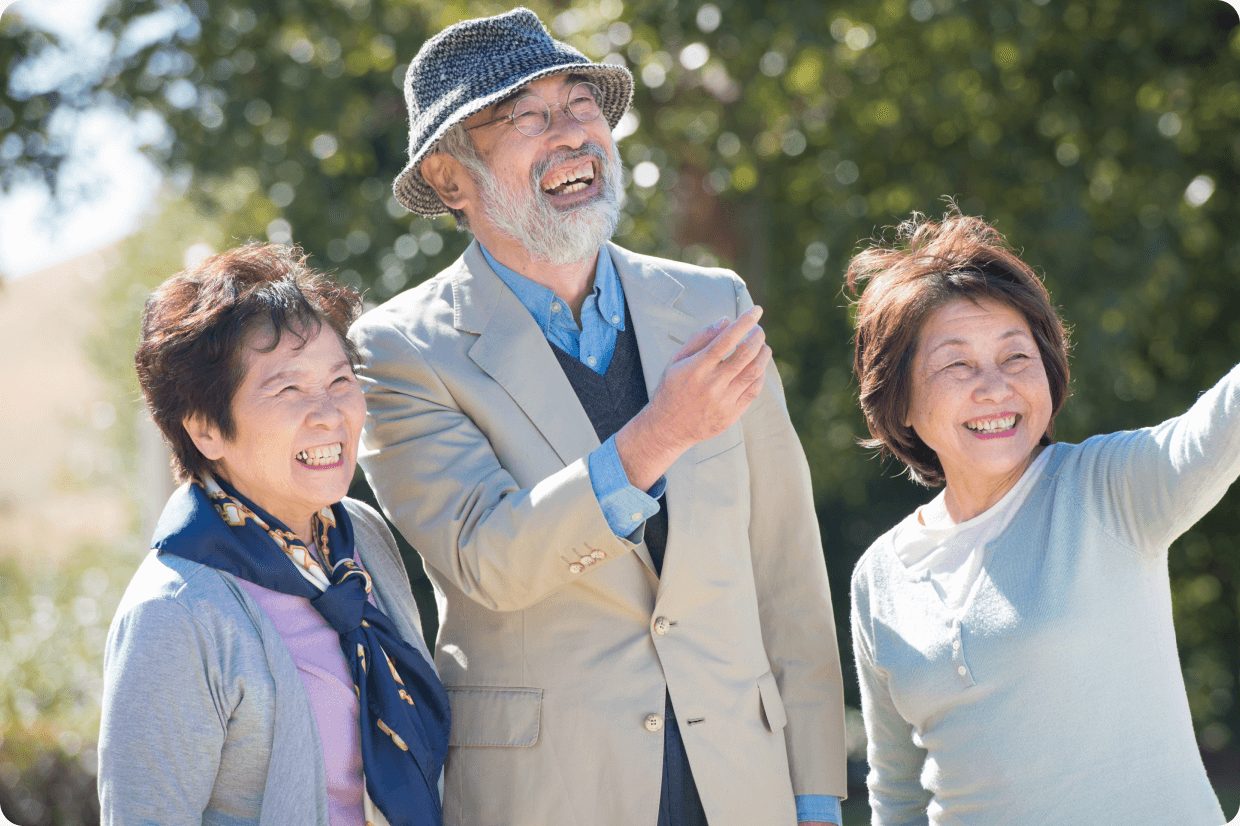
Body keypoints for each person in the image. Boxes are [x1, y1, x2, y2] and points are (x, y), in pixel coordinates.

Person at [349, 8, 846, 826]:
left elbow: (786, 569)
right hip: (549, 796)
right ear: (449, 179)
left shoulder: (714, 307)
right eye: (529, 118)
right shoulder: (397, 352)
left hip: (743, 787)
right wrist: (661, 435)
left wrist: (816, 796)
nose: (573, 135)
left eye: (580, 105)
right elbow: (487, 558)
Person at [845, 210, 1232, 824]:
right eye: (957, 365)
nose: (995, 387)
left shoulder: (1110, 489)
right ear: (900, 401)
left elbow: (1225, 423)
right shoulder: (879, 575)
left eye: (1016, 357)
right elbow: (898, 793)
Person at [98, 243, 450, 826]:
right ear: (207, 429)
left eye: (340, 380)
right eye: (288, 390)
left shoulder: (359, 537)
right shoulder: (174, 613)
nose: (330, 414)